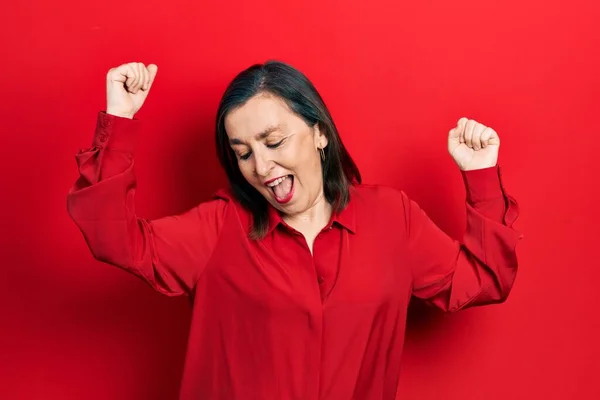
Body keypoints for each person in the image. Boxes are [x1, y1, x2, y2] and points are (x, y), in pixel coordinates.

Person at [66, 60, 523, 400]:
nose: (261, 167)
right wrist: (119, 120)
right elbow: (114, 238)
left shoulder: (392, 217)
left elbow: (483, 279)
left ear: (320, 133)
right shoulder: (217, 227)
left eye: (274, 141)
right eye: (243, 153)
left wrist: (481, 176)